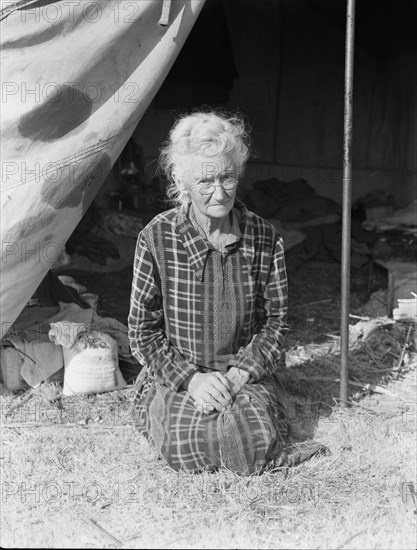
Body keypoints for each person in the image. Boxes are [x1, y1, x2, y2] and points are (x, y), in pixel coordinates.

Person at [128, 111, 290, 474]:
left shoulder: (265, 238)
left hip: (242, 376)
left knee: (247, 438)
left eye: (227, 177)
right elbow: (142, 332)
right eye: (204, 181)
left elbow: (276, 325)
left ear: (238, 173)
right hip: (181, 374)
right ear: (181, 182)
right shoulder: (157, 238)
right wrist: (192, 379)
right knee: (186, 444)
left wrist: (238, 375)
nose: (219, 192)